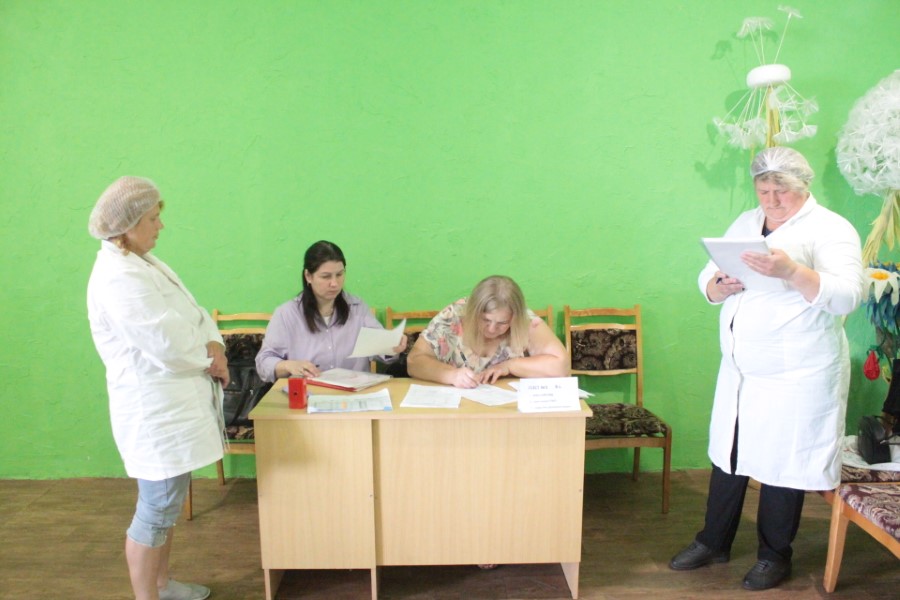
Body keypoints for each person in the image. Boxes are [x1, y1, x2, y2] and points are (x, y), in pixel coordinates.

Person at [669, 147, 866, 591]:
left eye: (782, 191)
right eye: (764, 190)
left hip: (797, 373)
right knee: (729, 452)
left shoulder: (831, 229)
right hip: (742, 370)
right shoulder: (746, 222)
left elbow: (848, 296)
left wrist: (792, 271)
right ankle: (713, 540)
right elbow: (708, 274)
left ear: (804, 186)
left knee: (784, 462)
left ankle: (774, 555)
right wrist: (718, 286)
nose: (772, 201)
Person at [87, 177, 227, 600]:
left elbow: (194, 313)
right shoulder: (118, 278)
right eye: (152, 218)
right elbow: (167, 343)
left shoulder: (143, 263)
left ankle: (163, 586)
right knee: (156, 508)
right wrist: (209, 356)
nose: (160, 226)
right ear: (128, 226)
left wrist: (215, 344)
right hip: (154, 414)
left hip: (175, 407)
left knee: (168, 504)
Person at [255, 240, 406, 382]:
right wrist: (288, 365)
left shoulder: (357, 307)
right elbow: (263, 363)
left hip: (354, 394)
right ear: (308, 276)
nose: (334, 283)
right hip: (309, 394)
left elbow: (380, 350)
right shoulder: (286, 314)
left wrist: (392, 346)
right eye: (326, 276)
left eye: (339, 275)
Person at [407, 275, 569, 388]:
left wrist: (509, 366)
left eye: (502, 323)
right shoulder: (454, 315)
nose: (492, 329)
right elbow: (414, 361)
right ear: (473, 311)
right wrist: (451, 375)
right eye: (485, 320)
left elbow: (561, 367)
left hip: (507, 412)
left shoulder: (525, 321)